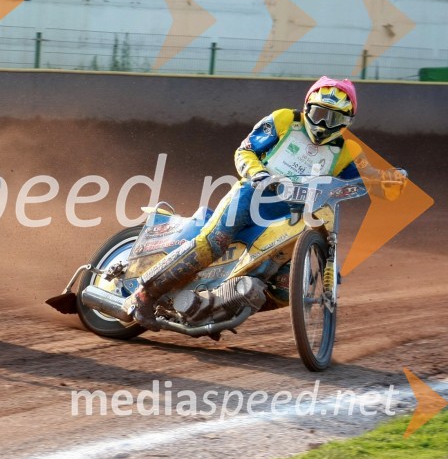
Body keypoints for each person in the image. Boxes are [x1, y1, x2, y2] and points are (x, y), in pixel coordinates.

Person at [122, 76, 407, 329]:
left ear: (347, 122)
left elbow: (368, 180)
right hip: (252, 196)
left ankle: (221, 307)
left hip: (294, 219)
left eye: (332, 119)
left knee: (286, 289)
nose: (322, 124)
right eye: (318, 113)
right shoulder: (284, 120)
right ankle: (144, 295)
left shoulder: (349, 152)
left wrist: (389, 180)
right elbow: (245, 151)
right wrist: (258, 173)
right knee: (214, 242)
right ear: (307, 108)